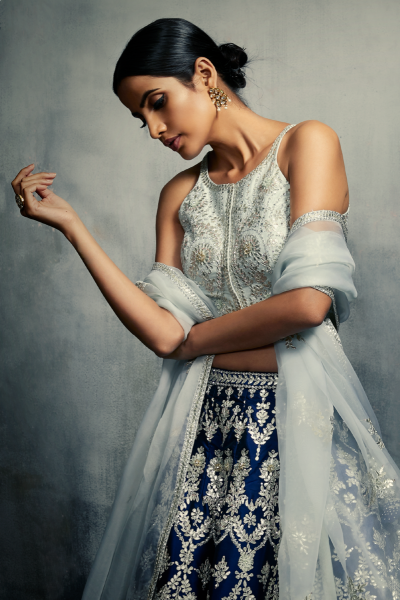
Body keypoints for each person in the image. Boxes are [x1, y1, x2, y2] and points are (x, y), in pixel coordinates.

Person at [11, 17, 400, 600]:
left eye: (157, 102)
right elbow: (162, 333)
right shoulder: (179, 194)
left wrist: (195, 343)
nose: (153, 128)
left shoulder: (307, 144)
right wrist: (73, 228)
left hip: (297, 423)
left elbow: (308, 303)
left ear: (204, 73)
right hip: (201, 431)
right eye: (141, 117)